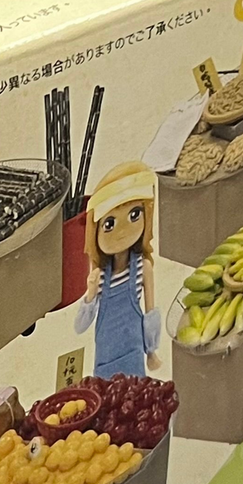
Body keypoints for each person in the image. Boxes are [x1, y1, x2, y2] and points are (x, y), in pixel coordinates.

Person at [74, 161, 161, 378]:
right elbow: (80, 326)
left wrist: (151, 351)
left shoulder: (143, 267)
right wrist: (90, 293)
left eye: (134, 215)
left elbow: (150, 313)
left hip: (133, 351)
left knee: (134, 393)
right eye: (109, 224)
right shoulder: (100, 276)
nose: (122, 231)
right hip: (105, 354)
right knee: (106, 394)